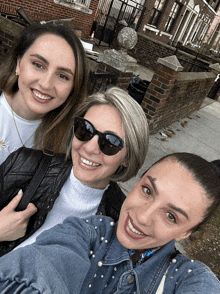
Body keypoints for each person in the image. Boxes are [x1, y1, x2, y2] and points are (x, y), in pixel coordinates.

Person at [0, 152, 219, 294]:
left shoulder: (191, 280)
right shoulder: (87, 233)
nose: (143, 217)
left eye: (171, 216)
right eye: (147, 190)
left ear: (186, 233)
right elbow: (39, 267)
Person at [0, 86, 149, 256]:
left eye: (110, 142)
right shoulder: (24, 165)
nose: (90, 148)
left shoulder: (119, 220)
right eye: (85, 130)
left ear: (128, 158)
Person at [0, 22, 88, 164]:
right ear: (18, 63)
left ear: (74, 88)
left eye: (63, 76)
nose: (46, 84)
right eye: (38, 65)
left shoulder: (70, 144)